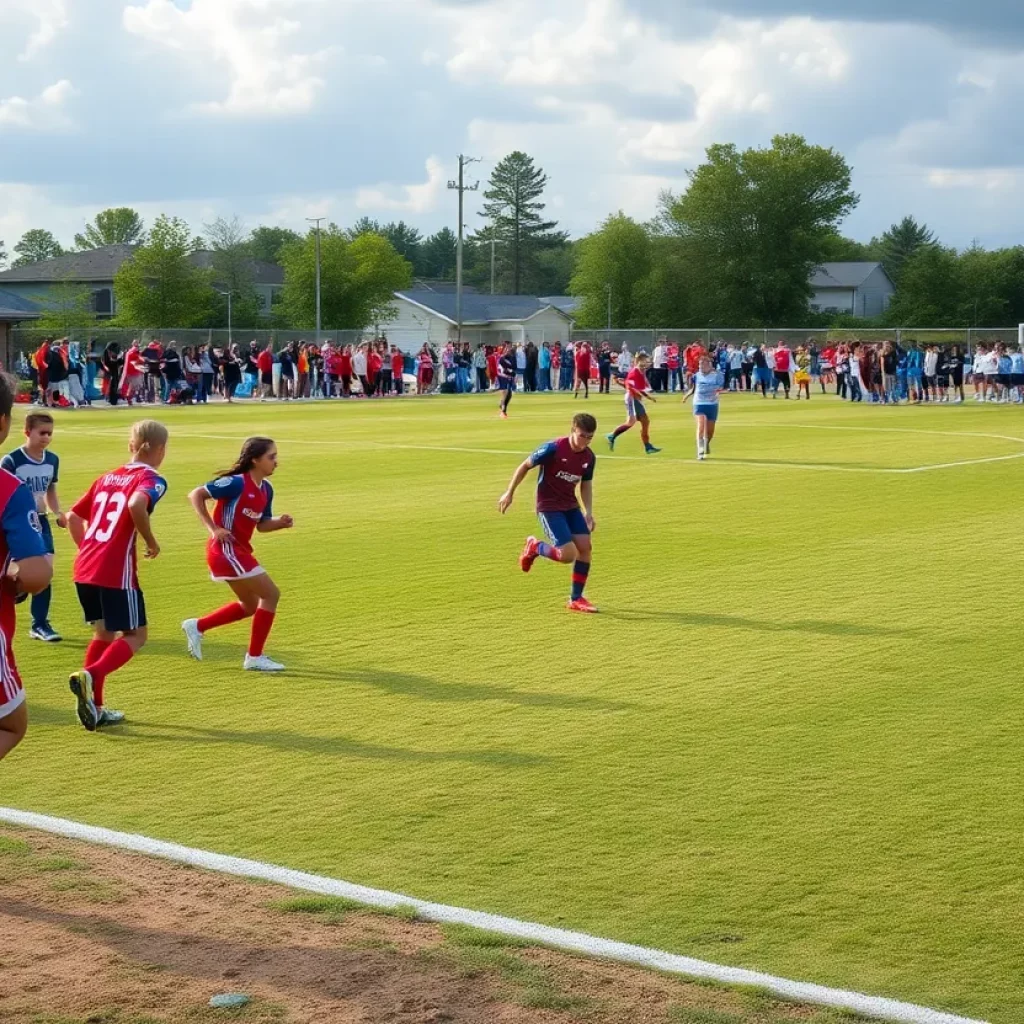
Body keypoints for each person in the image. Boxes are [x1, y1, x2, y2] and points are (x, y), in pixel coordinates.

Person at [66, 420, 169, 731]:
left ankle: (95, 708)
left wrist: (87, 548)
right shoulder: (152, 479)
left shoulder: (106, 477)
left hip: (85, 566)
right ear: (161, 450)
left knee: (103, 634)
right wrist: (150, 540)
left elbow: (73, 517)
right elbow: (137, 503)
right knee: (137, 635)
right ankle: (91, 675)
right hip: (115, 570)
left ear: (130, 445)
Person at [182, 437, 294, 673]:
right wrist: (214, 529)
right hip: (226, 551)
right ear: (255, 459)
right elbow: (195, 495)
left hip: (238, 551)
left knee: (250, 605)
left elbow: (262, 525)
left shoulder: (266, 489)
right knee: (271, 594)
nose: (276, 462)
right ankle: (254, 657)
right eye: (271, 457)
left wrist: (280, 524)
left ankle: (197, 626)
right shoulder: (235, 483)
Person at [0, 375, 53, 762]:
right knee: (10, 725)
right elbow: (36, 575)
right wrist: (15, 579)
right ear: (4, 423)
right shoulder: (9, 488)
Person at [498, 412, 599, 614]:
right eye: (582, 436)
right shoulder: (553, 448)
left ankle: (576, 599)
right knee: (568, 555)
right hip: (548, 506)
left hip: (570, 506)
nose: (585, 441)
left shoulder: (589, 457)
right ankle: (535, 547)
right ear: (573, 431)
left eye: (590, 437)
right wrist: (509, 492)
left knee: (585, 547)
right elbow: (525, 466)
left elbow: (585, 485)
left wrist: (588, 512)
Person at [1, 411, 65, 642]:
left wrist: (57, 511)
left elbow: (50, 489)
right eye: (42, 433)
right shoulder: (12, 460)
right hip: (15, 523)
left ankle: (39, 624)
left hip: (41, 521)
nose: (46, 438)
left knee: (45, 572)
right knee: (11, 572)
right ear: (27, 432)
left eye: (50, 433)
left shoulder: (52, 460)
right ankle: (16, 592)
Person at [606, 352, 660, 454]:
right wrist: (647, 396)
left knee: (645, 421)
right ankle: (612, 435)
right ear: (640, 361)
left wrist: (648, 397)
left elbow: (637, 387)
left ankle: (648, 446)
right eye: (645, 361)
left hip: (637, 399)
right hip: (632, 399)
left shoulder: (640, 372)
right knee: (631, 422)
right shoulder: (634, 372)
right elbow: (632, 388)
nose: (647, 364)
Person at [683, 354, 722, 460]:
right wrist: (686, 396)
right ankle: (700, 450)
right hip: (699, 403)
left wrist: (718, 391)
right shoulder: (697, 375)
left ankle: (706, 444)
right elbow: (693, 389)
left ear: (709, 365)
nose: (701, 367)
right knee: (701, 424)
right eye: (699, 365)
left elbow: (721, 387)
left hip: (712, 404)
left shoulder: (716, 375)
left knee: (710, 431)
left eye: (703, 365)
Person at [497, 342, 516, 418]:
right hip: (503, 377)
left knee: (509, 394)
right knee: (506, 393)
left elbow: (512, 367)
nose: (508, 350)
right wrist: (510, 371)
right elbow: (502, 369)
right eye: (506, 348)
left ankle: (502, 407)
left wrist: (512, 373)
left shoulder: (510, 357)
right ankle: (503, 411)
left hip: (507, 377)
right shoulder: (501, 358)